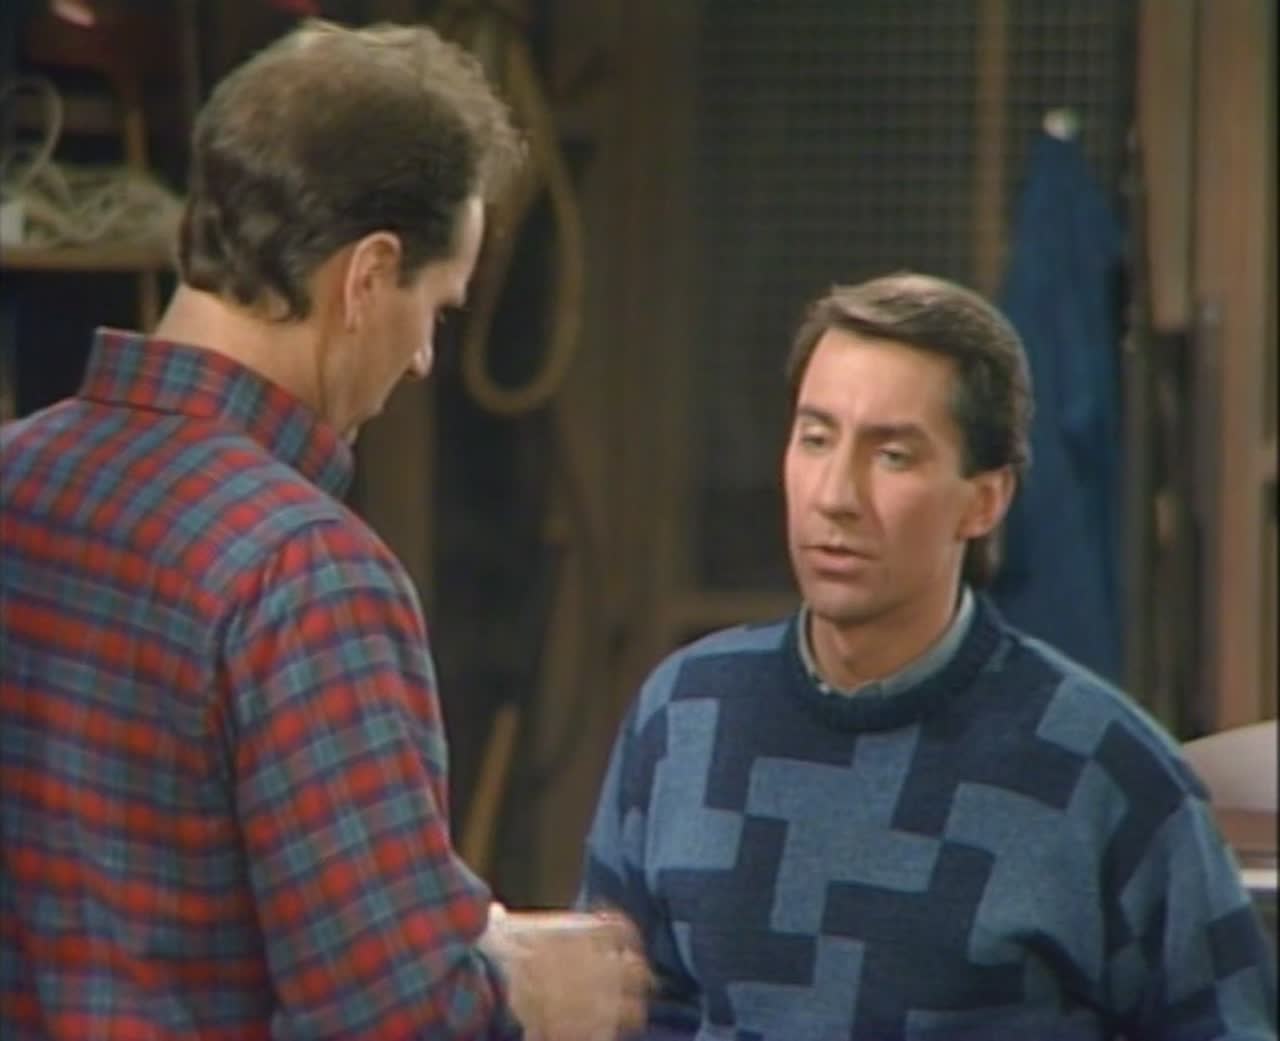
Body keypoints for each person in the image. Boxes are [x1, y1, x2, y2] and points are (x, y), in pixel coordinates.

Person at [1, 19, 648, 1041]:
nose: (423, 358)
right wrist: (527, 996)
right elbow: (390, 1018)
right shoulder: (304, 573)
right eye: (437, 307)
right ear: (366, 277)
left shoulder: (16, 477)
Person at [579, 272, 1276, 1040]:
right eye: (816, 439)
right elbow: (616, 1011)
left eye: (893, 455)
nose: (835, 494)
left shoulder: (1103, 767)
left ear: (984, 501)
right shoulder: (687, 715)